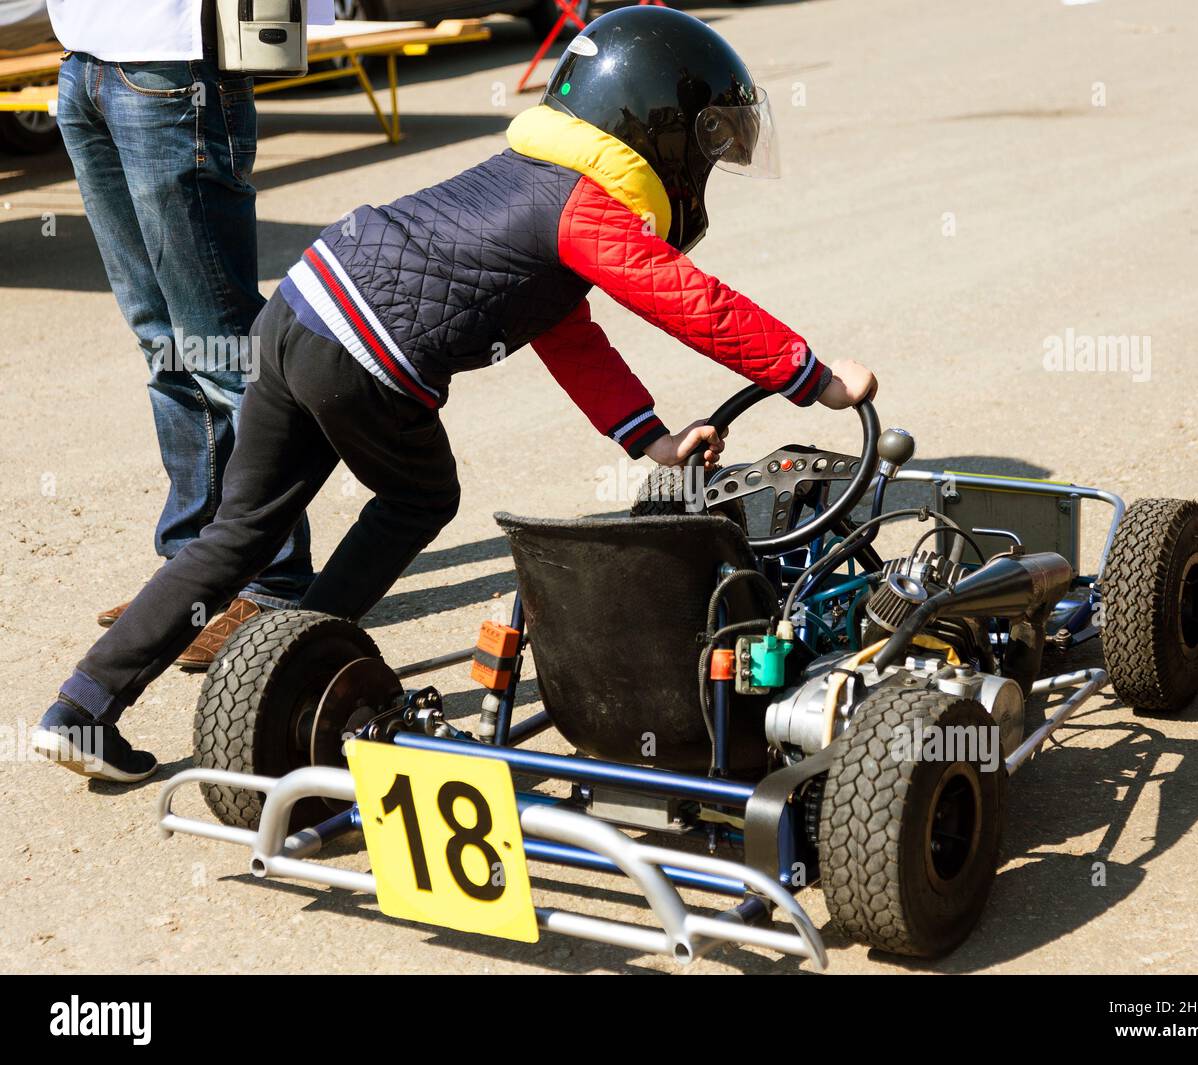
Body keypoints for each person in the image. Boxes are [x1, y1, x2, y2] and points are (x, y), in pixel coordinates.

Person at [32, 6, 878, 783]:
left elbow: (565, 330)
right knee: (422, 495)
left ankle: (81, 707)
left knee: (235, 534)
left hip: (295, 311)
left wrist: (648, 438)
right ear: (654, 129)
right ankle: (304, 651)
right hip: (361, 355)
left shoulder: (531, 175)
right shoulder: (587, 209)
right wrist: (816, 378)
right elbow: (695, 303)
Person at [47, 0, 320, 669]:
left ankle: (276, 583)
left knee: (220, 345)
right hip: (85, 57)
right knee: (161, 341)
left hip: (172, 60)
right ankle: (194, 571)